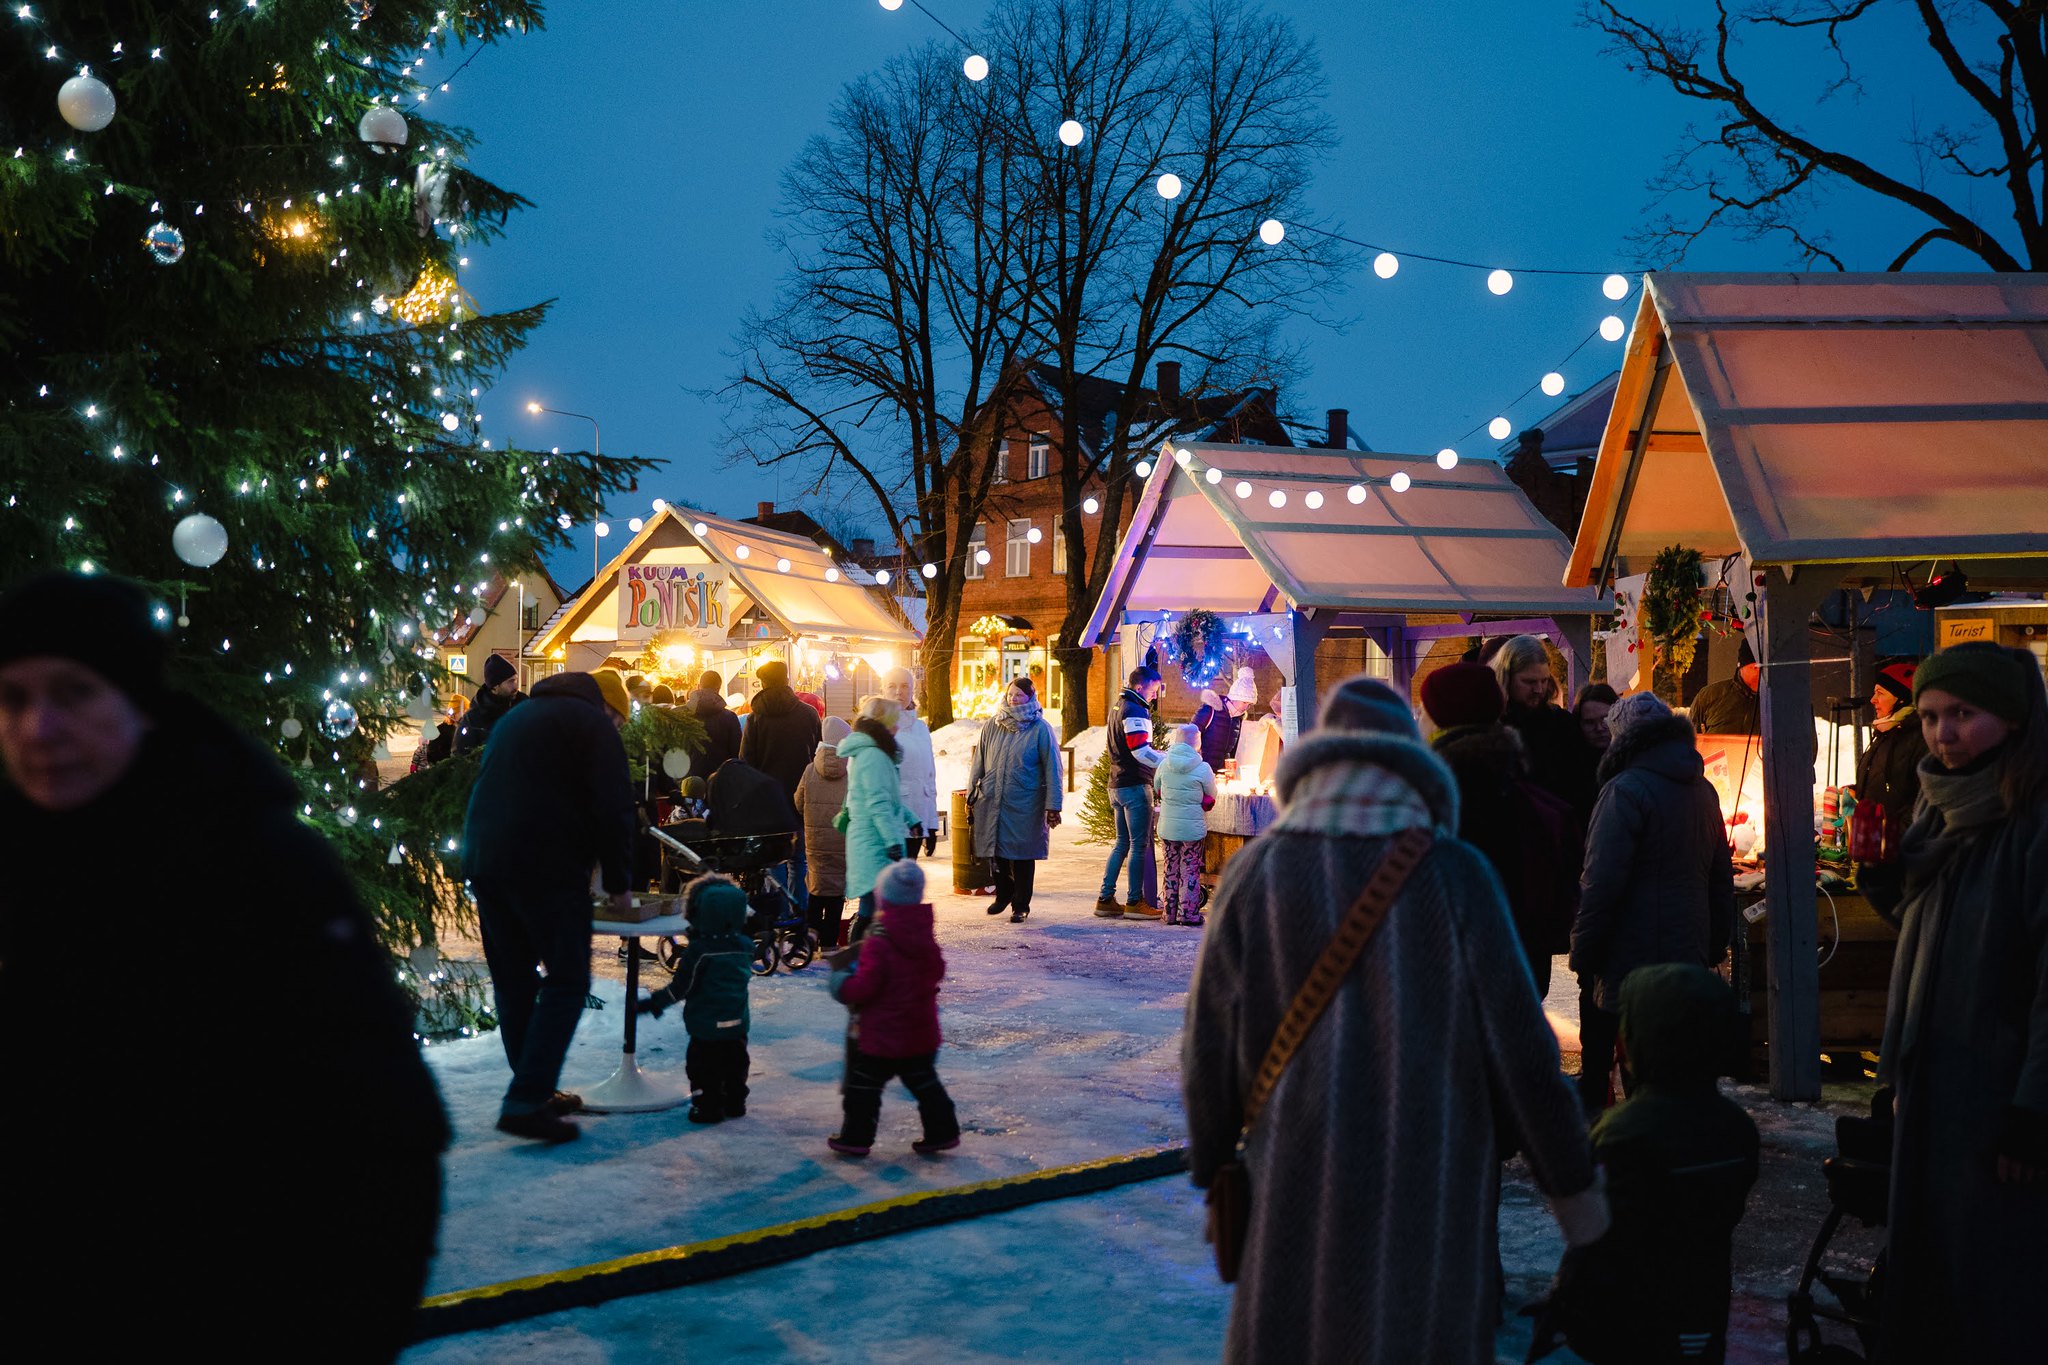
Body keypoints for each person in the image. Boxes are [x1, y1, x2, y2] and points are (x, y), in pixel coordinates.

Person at [0, 574, 448, 1357]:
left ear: (136, 700)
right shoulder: (22, 861)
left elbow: (381, 1139)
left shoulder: (258, 868)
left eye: (73, 691)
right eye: (10, 698)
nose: (38, 727)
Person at [1183, 674, 1609, 1365]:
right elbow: (1526, 1056)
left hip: (1294, 1181)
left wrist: (1212, 1160)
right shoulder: (1456, 874)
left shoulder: (1255, 874)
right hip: (1430, 1200)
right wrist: (1577, 1198)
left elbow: (1207, 1043)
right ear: (1413, 766)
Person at [1858, 642, 2048, 1362]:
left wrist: (2034, 1113)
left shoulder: (2033, 823)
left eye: (1963, 714)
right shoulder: (1940, 810)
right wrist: (1882, 876)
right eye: (1933, 715)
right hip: (1934, 1091)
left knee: (1996, 1290)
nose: (1943, 732)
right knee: (1933, 1282)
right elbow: (1929, 931)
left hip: (1998, 1103)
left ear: (2011, 718)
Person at [1530, 964, 1759, 1365]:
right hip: (1704, 1301)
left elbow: (1595, 1235)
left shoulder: (1621, 1133)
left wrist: (1564, 1300)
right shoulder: (1735, 1128)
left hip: (1625, 1315)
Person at [462, 665, 637, 1143]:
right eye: (619, 722)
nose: (617, 730)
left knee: (514, 980)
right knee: (567, 979)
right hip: (544, 864)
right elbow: (613, 804)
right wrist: (620, 880)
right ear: (607, 708)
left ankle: (530, 1090)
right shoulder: (589, 723)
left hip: (486, 860)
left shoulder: (520, 716)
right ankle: (526, 1100)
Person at [1571, 691, 1735, 1116]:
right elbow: (1720, 876)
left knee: (1633, 1058)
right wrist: (1716, 940)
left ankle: (1634, 1151)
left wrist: (1584, 949)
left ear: (1622, 738)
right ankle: (1680, 1148)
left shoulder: (1624, 791)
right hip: (1688, 947)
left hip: (1631, 952)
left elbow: (1601, 882)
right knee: (1672, 1060)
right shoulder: (1702, 790)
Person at [1422, 661, 1580, 997]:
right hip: (1524, 950)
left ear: (1441, 715)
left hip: (1465, 961)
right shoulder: (1511, 772)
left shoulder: (1443, 788)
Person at [827, 860, 961, 1158]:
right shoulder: (923, 935)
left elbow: (864, 987)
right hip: (919, 1033)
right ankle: (943, 1131)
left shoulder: (879, 940)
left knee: (863, 1088)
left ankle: (856, 1137)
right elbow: (937, 969)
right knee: (926, 1085)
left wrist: (841, 983)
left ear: (883, 897)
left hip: (883, 1037)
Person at [636, 874, 754, 1124]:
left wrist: (655, 1003)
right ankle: (735, 1101)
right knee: (736, 1062)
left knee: (703, 1066)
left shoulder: (699, 952)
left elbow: (682, 987)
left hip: (706, 1025)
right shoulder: (744, 946)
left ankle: (708, 1105)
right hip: (738, 1021)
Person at [966, 677, 1064, 923]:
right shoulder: (992, 725)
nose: (1013, 699)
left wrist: (1053, 804)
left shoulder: (1040, 729)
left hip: (1025, 803)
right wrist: (971, 793)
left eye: (1019, 695)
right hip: (993, 798)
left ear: (1030, 697)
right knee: (995, 850)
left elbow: (1053, 768)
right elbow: (978, 762)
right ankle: (1004, 893)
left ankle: (1021, 904)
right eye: (1011, 695)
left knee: (1022, 855)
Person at [741, 659, 821, 910]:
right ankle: (799, 913)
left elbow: (746, 761)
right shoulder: (808, 714)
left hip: (768, 801)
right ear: (787, 680)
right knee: (799, 860)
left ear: (763, 684)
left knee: (775, 860)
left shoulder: (755, 719)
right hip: (800, 797)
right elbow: (817, 754)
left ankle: (781, 912)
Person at [1493, 634, 1591, 825]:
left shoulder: (1563, 724)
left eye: (1544, 681)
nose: (1539, 689)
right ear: (1506, 678)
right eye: (1529, 682)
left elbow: (1581, 787)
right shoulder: (1492, 728)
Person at [837, 694, 912, 941]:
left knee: (873, 907)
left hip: (870, 839)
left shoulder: (871, 752)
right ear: (882, 724)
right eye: (894, 721)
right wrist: (891, 841)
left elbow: (883, 797)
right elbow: (878, 802)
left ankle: (863, 960)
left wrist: (912, 818)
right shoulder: (874, 755)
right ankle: (862, 960)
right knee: (876, 908)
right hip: (874, 842)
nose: (898, 726)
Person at [1095, 664, 1166, 919]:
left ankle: (1105, 898)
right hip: (1134, 784)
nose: (1155, 695)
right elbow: (1140, 751)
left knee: (1122, 843)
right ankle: (1135, 901)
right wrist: (1167, 760)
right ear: (1140, 687)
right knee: (1138, 845)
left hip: (1117, 783)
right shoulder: (1135, 710)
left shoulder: (1118, 707)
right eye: (1154, 690)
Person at [1853, 658, 1928, 844]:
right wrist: (1857, 793)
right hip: (1876, 848)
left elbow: (1926, 803)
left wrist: (1889, 834)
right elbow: (1889, 788)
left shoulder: (1921, 739)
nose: (1873, 700)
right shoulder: (1884, 734)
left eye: (1880, 693)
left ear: (1901, 698)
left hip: (1902, 853)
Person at [796, 716, 852, 950]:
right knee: (836, 892)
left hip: (814, 840)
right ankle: (829, 944)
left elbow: (798, 802)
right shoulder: (849, 773)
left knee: (816, 888)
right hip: (841, 842)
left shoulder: (810, 770)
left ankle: (810, 934)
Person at [1154, 722, 1217, 928]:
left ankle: (1169, 912)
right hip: (1192, 830)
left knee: (1170, 867)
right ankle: (1188, 914)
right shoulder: (1202, 767)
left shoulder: (1164, 764)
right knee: (1190, 869)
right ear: (1196, 743)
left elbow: (1157, 787)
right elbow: (1211, 795)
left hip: (1168, 828)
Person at [883, 666, 941, 860]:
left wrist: (931, 823)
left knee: (906, 883)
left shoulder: (921, 728)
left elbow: (929, 778)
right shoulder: (878, 727)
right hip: (890, 825)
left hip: (917, 819)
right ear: (883, 690)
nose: (899, 691)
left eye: (905, 686)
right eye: (892, 686)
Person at [1687, 638, 1761, 737]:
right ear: (1741, 667)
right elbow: (1688, 740)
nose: (1759, 673)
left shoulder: (1776, 702)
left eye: (1763, 668)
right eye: (1754, 668)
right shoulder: (1709, 696)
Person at [1192, 665, 1258, 771]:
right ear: (1234, 698)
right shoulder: (1211, 709)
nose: (1246, 707)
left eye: (1249, 704)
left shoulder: (1238, 719)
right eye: (1244, 702)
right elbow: (1190, 735)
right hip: (1202, 770)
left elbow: (1233, 750)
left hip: (1223, 773)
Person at [454, 652, 522, 754]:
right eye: (510, 682)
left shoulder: (524, 707)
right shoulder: (473, 719)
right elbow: (461, 757)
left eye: (516, 680)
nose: (516, 686)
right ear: (495, 686)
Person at [686, 669, 743, 777]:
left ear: (698, 686)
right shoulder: (730, 718)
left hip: (689, 781)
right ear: (718, 688)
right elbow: (737, 753)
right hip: (721, 780)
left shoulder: (683, 716)